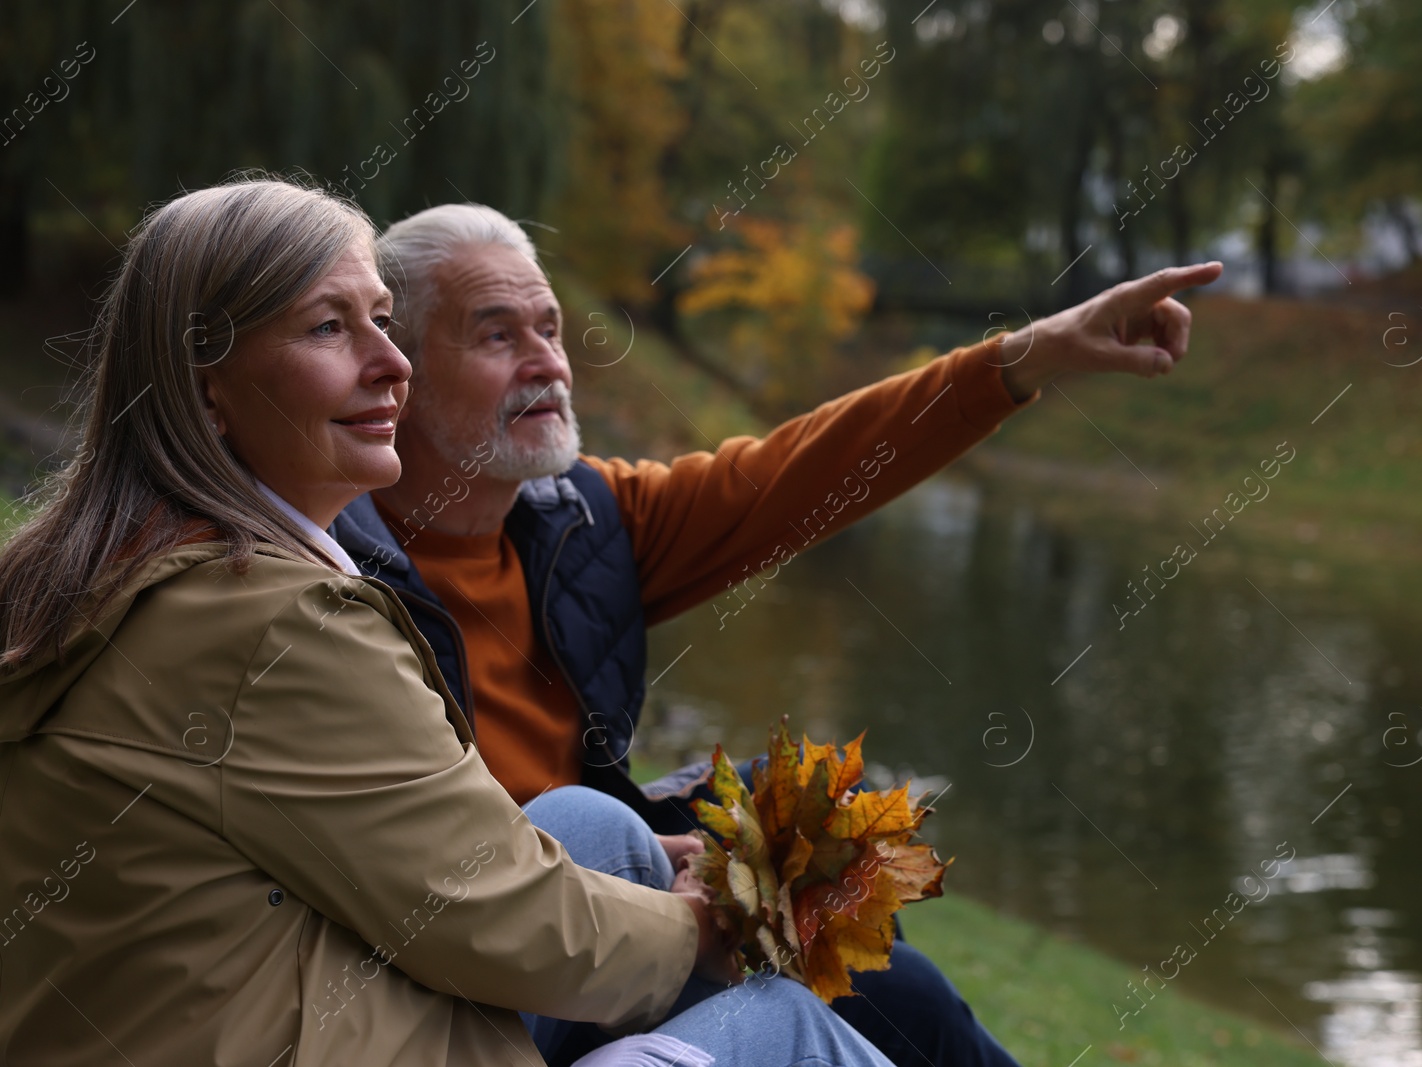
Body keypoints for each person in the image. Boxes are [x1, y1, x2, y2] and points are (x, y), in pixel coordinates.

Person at [0, 177, 898, 1067]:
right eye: (327, 327)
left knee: (594, 825)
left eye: (381, 321)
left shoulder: (85, 562)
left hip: (208, 1008)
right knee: (785, 1023)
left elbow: (433, 848)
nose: (393, 365)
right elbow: (495, 911)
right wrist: (703, 922)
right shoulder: (275, 623)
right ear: (206, 392)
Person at [331, 202, 1223, 1067]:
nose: (549, 364)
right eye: (497, 335)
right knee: (906, 1002)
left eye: (552, 329)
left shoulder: (584, 521)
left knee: (818, 844)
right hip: (483, 966)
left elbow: (797, 475)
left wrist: (1026, 358)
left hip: (606, 893)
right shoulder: (328, 574)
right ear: (394, 368)